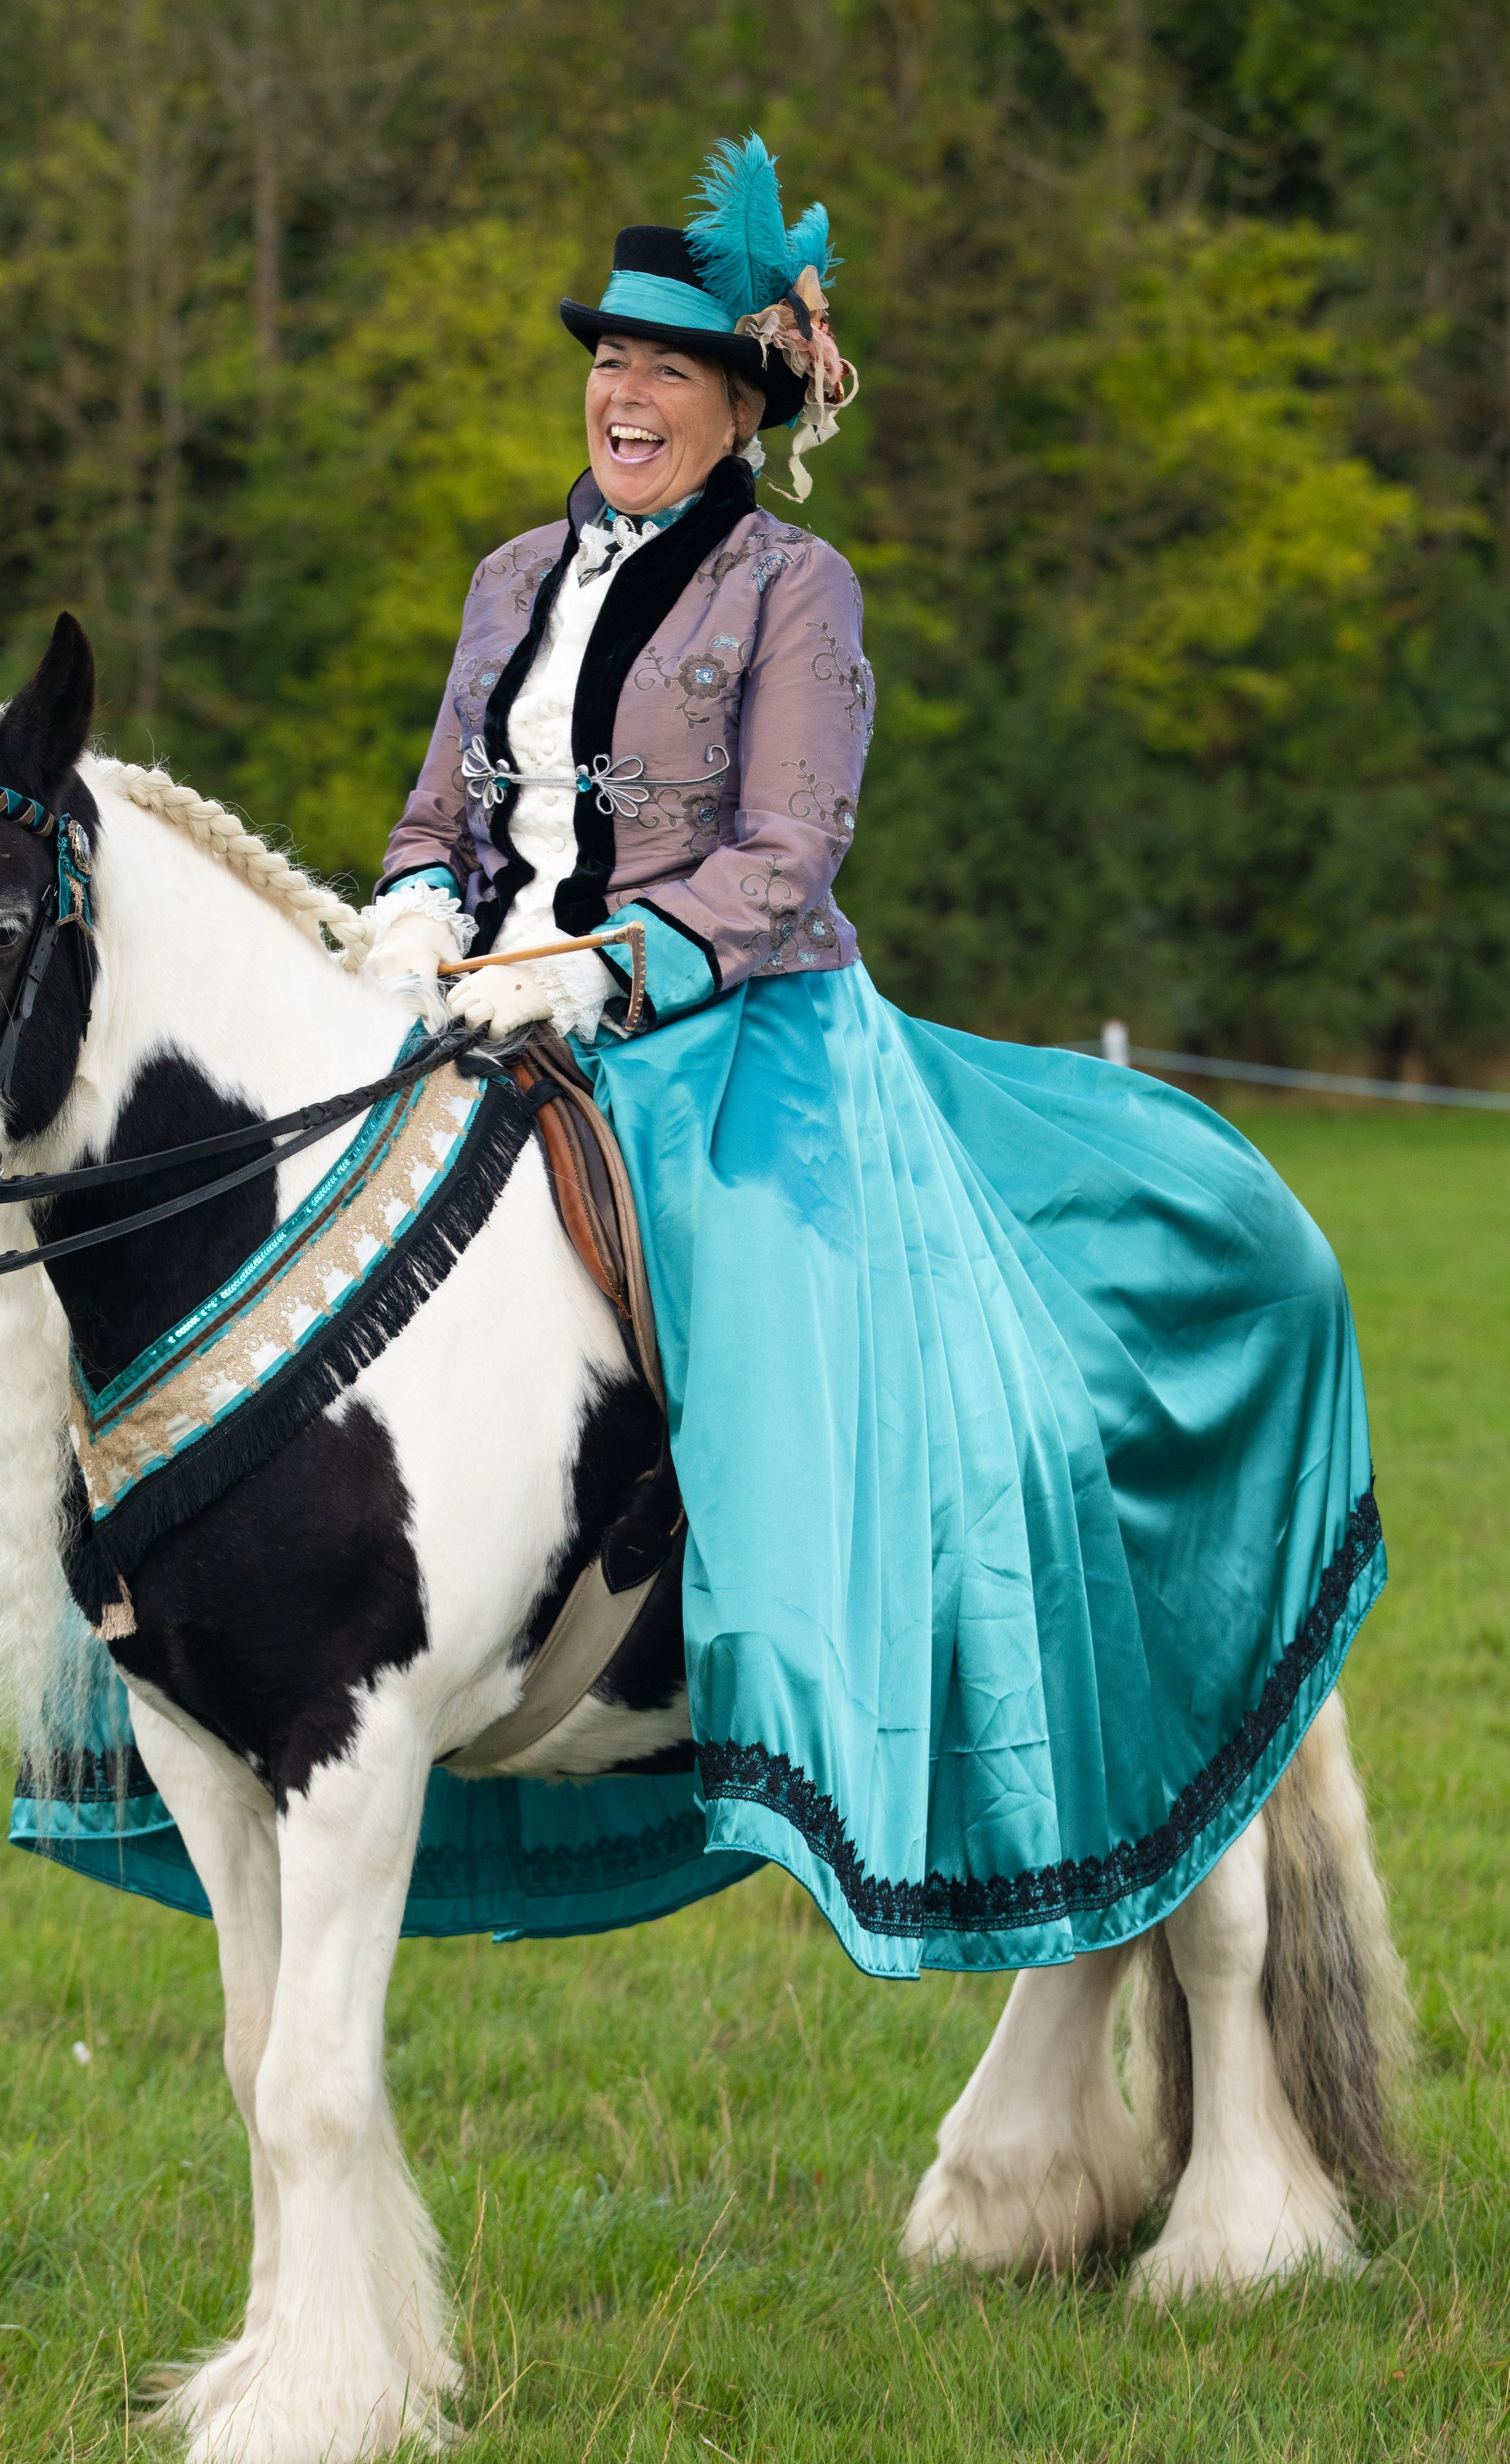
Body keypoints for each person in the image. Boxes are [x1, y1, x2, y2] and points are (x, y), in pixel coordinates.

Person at [356, 134, 1383, 1977]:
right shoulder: (509, 574)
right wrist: (425, 907)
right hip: (478, 1002)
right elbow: (437, 808)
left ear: (742, 406)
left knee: (754, 1304)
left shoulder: (793, 590)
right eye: (606, 361)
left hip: (728, 1033)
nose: (622, 393)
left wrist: (598, 971)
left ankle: (774, 1678)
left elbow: (778, 862)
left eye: (665, 368)